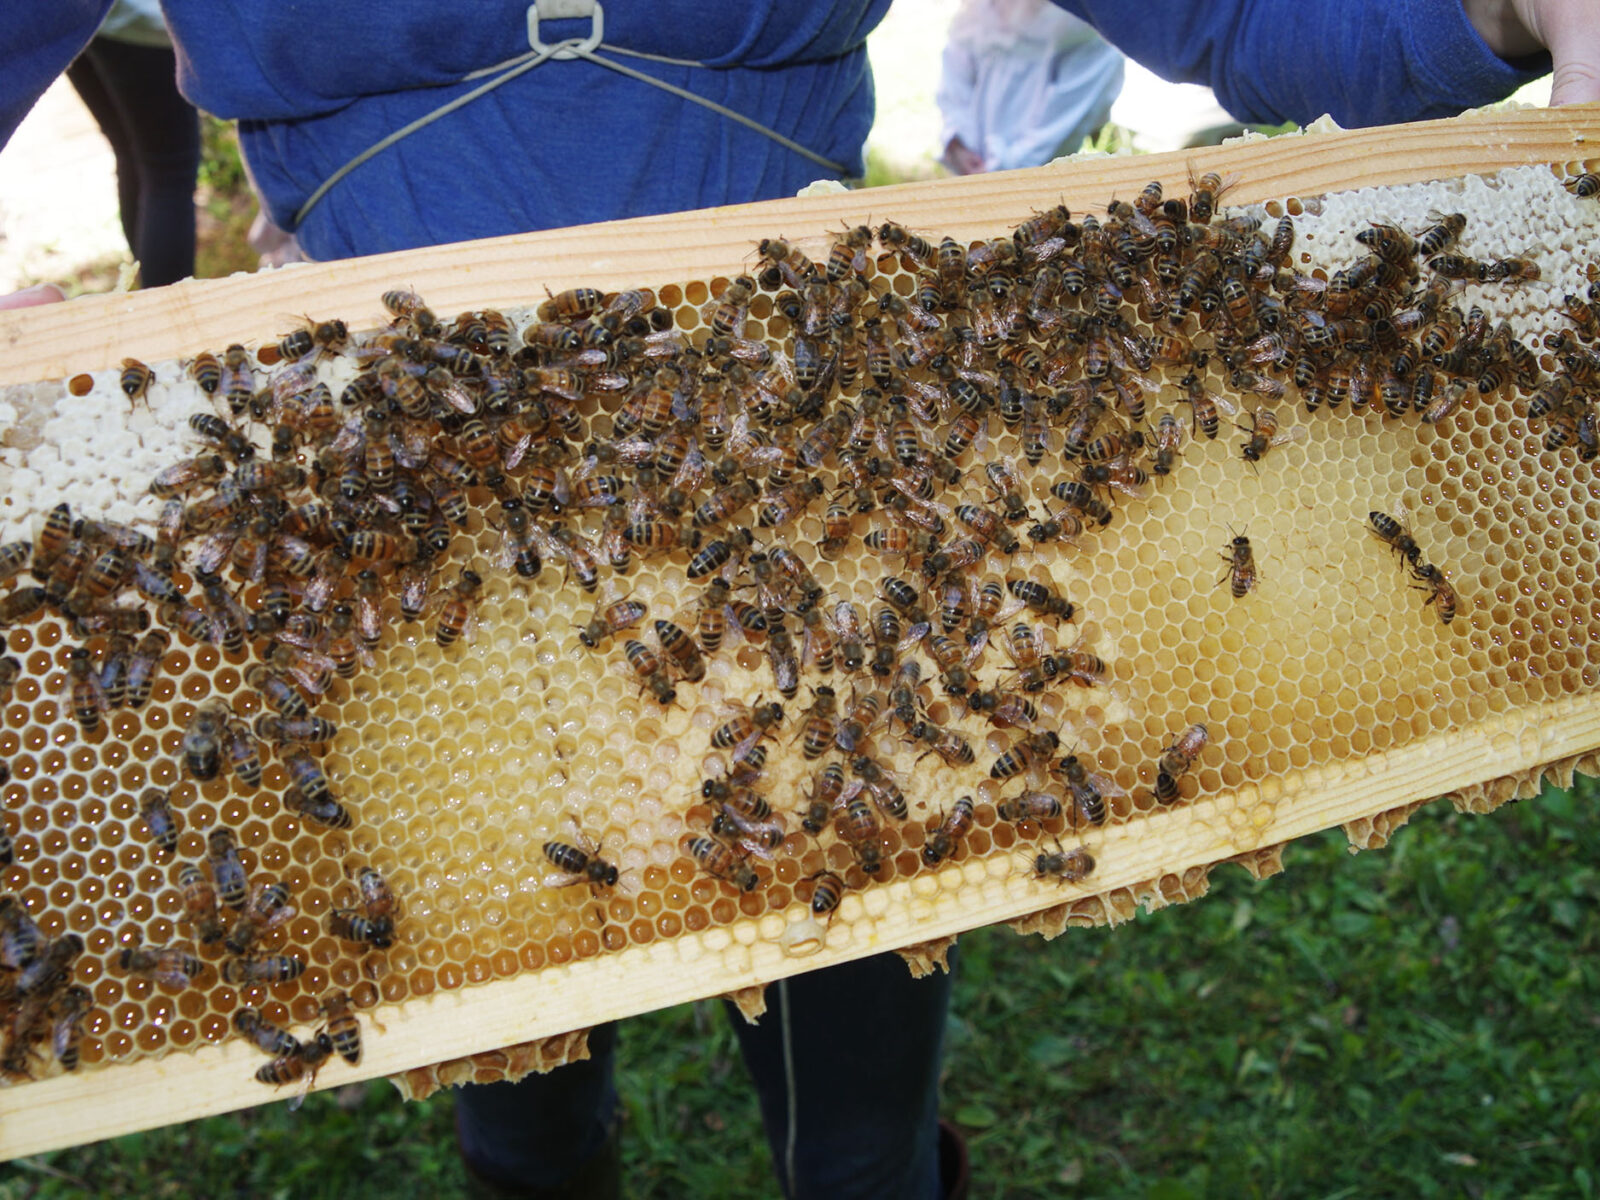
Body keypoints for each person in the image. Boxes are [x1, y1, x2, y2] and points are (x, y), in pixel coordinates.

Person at [0, 3, 1594, 1196]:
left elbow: (1259, 11)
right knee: (511, 1027)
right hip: (410, 554)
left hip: (826, 503)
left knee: (855, 1067)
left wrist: (1520, 0)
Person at [65, 0, 201, 288]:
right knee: (169, 173)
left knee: (137, 156)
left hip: (82, 18)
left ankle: (146, 299)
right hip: (137, 21)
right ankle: (167, 316)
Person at [937, 0, 1125, 176]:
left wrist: (1004, 171)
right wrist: (959, 141)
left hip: (1033, 170)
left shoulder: (1084, 32)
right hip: (974, 152)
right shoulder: (984, 11)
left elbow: (1062, 124)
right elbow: (958, 65)